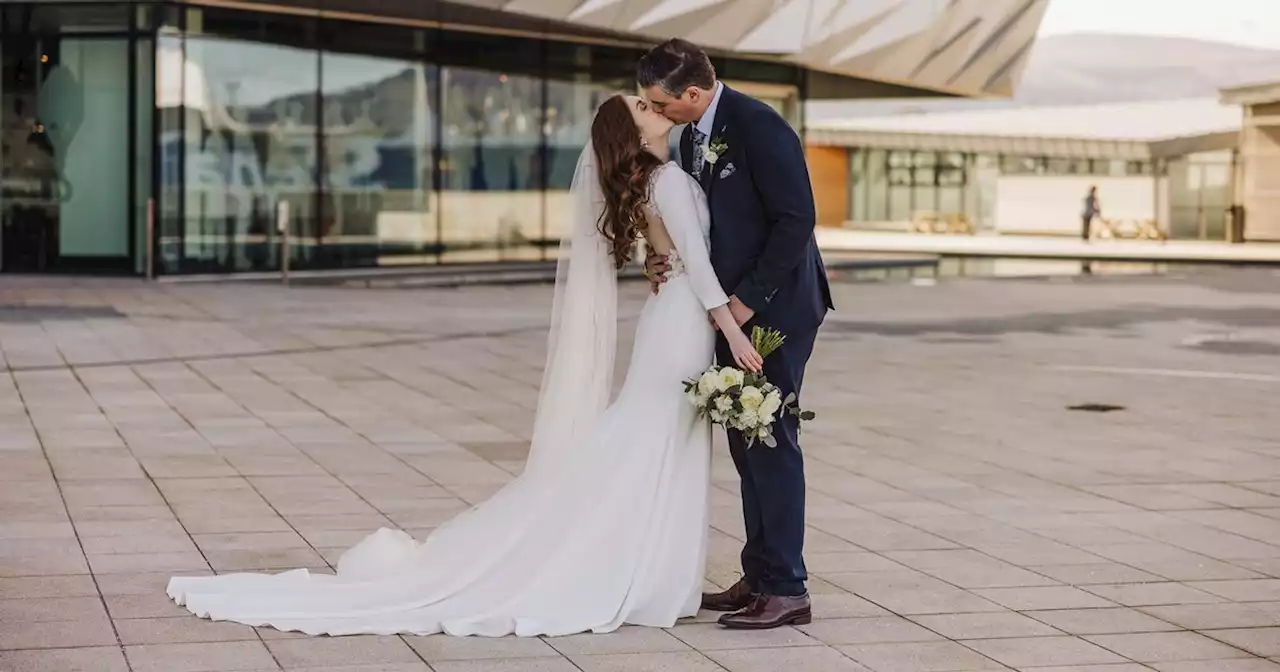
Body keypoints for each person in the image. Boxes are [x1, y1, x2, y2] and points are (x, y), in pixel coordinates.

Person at [164, 92, 765, 637]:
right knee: (654, 439)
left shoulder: (662, 177)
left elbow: (670, 255)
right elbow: (700, 266)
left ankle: (647, 567)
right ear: (631, 135)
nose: (652, 104)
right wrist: (733, 331)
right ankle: (633, 567)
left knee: (659, 438)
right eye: (641, 105)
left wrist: (678, 283)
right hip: (683, 322)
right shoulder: (669, 181)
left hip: (671, 319)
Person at [640, 39, 832, 630]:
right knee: (746, 444)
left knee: (771, 440)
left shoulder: (759, 126)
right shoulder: (694, 132)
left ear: (692, 94)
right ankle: (760, 572)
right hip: (728, 308)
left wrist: (746, 301)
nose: (656, 114)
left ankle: (787, 589)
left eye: (659, 104)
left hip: (774, 309)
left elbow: (796, 218)